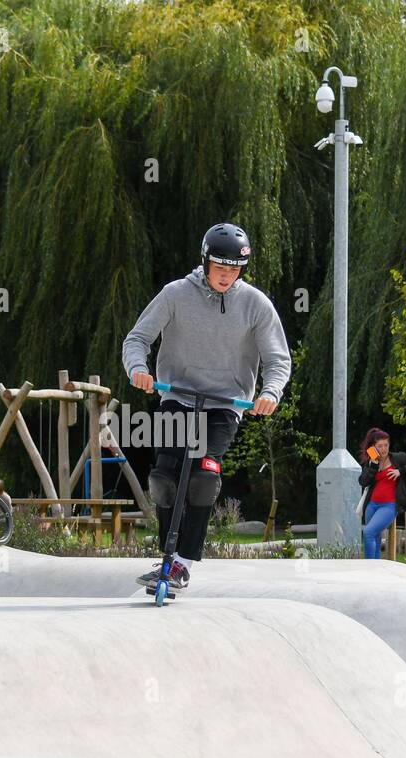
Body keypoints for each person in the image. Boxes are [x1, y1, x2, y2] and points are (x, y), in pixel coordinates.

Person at [122, 222, 291, 589]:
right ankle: (167, 555)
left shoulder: (256, 304)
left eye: (234, 270)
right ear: (205, 262)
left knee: (203, 476)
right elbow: (137, 340)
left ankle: (182, 563)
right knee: (164, 477)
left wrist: (270, 392)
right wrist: (139, 370)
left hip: (224, 405)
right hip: (177, 396)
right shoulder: (175, 295)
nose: (227, 276)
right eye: (220, 268)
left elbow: (278, 360)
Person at [358, 427, 406, 559]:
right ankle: (375, 572)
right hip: (371, 505)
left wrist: (401, 471)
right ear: (373, 447)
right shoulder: (371, 463)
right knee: (374, 538)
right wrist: (373, 466)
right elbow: (363, 482)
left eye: (386, 445)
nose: (383, 449)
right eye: (380, 446)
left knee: (368, 532)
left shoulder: (398, 458)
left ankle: (368, 568)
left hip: (389, 506)